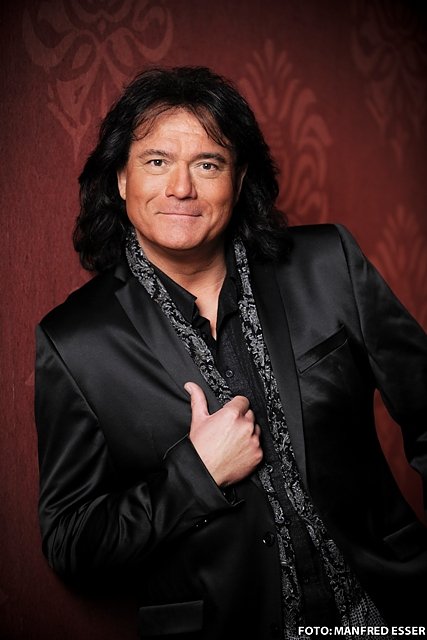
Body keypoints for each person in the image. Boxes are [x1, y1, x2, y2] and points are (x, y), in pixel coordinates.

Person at [35, 66, 427, 640]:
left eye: (208, 164)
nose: (181, 188)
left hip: (389, 611)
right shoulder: (75, 341)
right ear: (120, 178)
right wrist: (197, 475)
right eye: (156, 161)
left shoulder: (328, 264)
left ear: (238, 180)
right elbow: (72, 542)